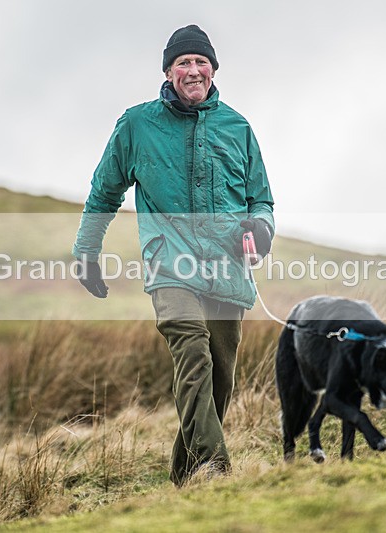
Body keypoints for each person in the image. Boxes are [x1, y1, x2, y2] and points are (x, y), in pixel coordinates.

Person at [72, 24, 275, 486]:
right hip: (171, 267)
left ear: (213, 70)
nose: (193, 70)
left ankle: (184, 482)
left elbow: (262, 200)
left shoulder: (238, 128)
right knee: (193, 354)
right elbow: (104, 192)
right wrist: (87, 250)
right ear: (168, 71)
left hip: (229, 272)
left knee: (219, 383)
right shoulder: (137, 125)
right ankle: (218, 472)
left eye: (201, 62)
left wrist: (260, 231)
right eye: (183, 62)